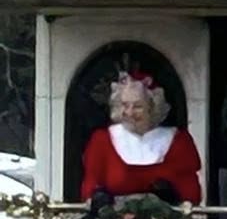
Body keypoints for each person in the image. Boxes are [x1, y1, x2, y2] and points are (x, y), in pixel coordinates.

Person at [79, 69, 202, 209]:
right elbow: (90, 185)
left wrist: (176, 198)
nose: (129, 113)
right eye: (125, 105)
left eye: (138, 106)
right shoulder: (102, 141)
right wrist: (97, 198)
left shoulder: (178, 141)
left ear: (152, 107)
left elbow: (190, 193)